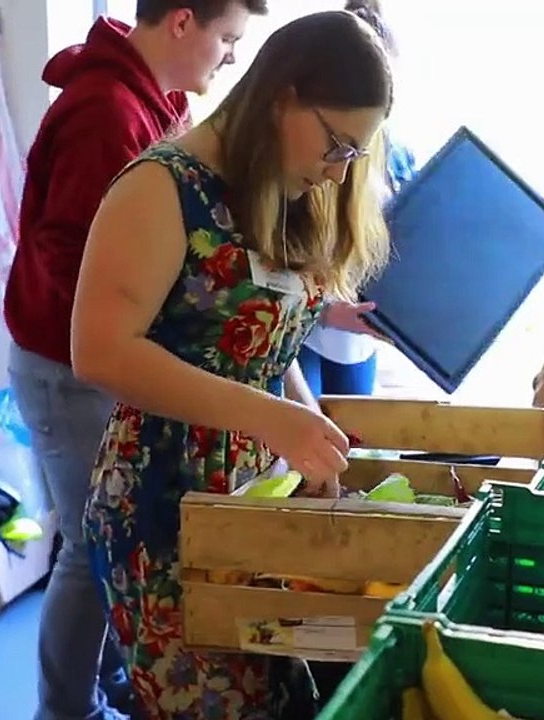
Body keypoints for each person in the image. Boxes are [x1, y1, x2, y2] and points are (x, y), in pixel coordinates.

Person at [70, 10, 393, 718]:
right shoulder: (161, 187)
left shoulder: (284, 188)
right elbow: (99, 349)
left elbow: (264, 350)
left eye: (354, 157)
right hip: (166, 507)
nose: (338, 171)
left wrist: (304, 424)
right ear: (283, 95)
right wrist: (271, 418)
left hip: (256, 497)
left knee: (285, 700)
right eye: (338, 144)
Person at [3, 2, 265, 719]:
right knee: (89, 548)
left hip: (109, 362)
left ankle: (122, 685)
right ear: (183, 22)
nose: (231, 58)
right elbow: (66, 255)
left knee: (122, 543)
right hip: (68, 366)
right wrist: (144, 330)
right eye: (228, 40)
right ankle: (65, 710)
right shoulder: (106, 115)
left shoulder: (160, 104)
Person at [297, 0, 418, 399]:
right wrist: (325, 311)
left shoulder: (397, 156)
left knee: (354, 439)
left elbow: (412, 242)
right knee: (302, 430)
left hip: (360, 328)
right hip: (308, 324)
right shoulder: (308, 153)